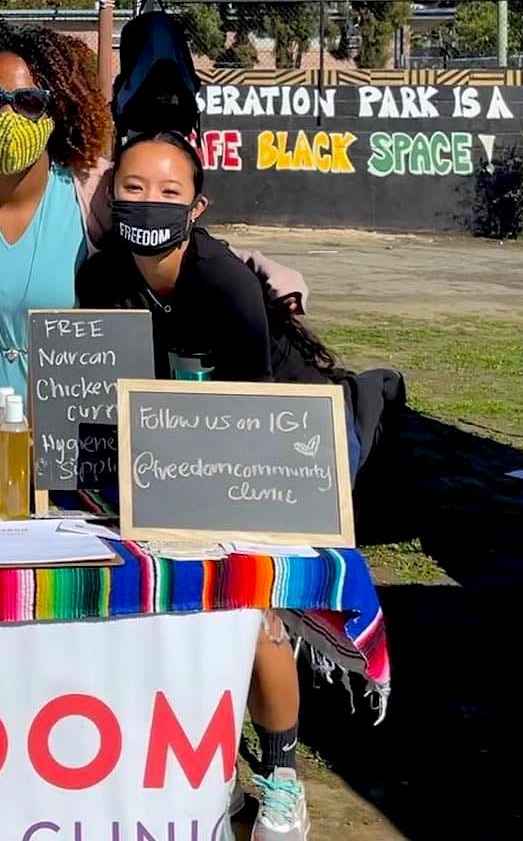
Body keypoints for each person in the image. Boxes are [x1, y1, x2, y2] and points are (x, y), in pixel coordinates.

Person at [77, 130, 407, 841]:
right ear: (109, 194)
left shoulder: (222, 282)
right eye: (132, 188)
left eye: (170, 192)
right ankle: (206, 761)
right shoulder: (99, 274)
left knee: (251, 602)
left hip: (284, 442)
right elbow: (109, 385)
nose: (149, 203)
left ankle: (282, 776)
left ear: (198, 207)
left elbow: (249, 418)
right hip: (172, 444)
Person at [0, 20, 307, 419]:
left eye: (30, 101)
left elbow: (173, 244)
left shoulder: (90, 189)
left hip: (65, 425)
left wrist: (268, 275)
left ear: (58, 109)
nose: (7, 116)